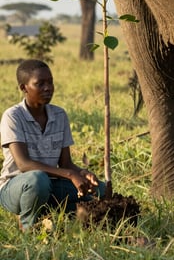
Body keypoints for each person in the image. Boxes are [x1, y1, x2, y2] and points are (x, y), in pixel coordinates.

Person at [0, 59, 104, 231]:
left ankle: (51, 214)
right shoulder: (13, 116)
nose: (48, 88)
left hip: (50, 185)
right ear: (24, 88)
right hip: (16, 188)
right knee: (37, 179)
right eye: (40, 84)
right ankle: (29, 227)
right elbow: (23, 164)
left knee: (99, 189)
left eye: (50, 82)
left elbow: (65, 164)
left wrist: (83, 173)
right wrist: (71, 175)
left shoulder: (59, 115)